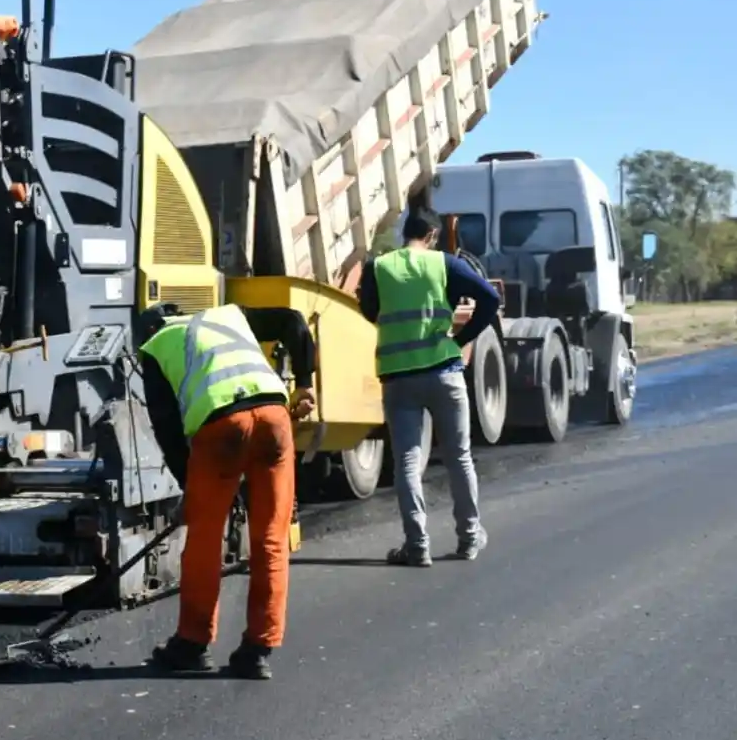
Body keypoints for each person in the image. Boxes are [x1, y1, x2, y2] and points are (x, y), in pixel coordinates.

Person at [138, 299, 318, 681]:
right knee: (271, 538)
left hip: (221, 425)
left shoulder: (155, 348)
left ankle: (192, 643)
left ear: (150, 329)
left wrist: (189, 489)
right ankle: (258, 650)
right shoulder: (230, 315)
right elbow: (293, 320)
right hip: (274, 416)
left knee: (205, 540)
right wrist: (305, 383)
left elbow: (168, 428)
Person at [358, 207, 501, 567]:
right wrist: (462, 335)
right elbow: (490, 298)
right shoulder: (444, 264)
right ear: (434, 236)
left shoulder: (378, 267)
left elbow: (369, 310)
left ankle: (416, 545)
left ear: (406, 232)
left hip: (398, 376)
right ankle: (469, 538)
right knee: (458, 457)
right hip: (444, 371)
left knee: (407, 461)